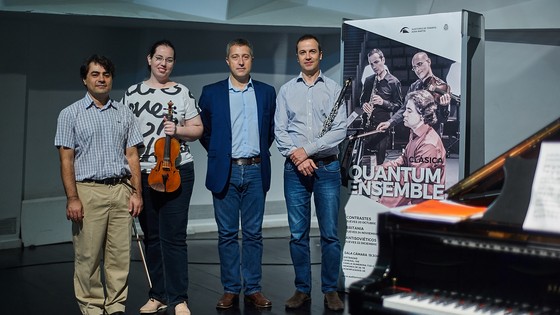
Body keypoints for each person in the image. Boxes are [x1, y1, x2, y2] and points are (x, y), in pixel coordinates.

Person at [54, 54, 143, 315]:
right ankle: (92, 307)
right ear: (85, 79)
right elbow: (66, 159)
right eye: (95, 74)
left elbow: (132, 156)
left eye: (106, 74)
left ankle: (116, 306)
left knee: (119, 256)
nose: (101, 79)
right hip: (88, 191)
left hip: (121, 190)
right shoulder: (70, 114)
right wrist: (72, 198)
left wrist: (137, 193)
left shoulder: (124, 113)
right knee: (88, 256)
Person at [122, 40, 203, 315]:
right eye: (159, 58)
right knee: (152, 237)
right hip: (144, 173)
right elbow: (124, 137)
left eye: (168, 59)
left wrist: (178, 129)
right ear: (149, 59)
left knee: (175, 237)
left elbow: (198, 128)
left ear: (173, 63)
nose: (163, 63)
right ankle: (158, 295)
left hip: (178, 171)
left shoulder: (181, 93)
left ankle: (179, 298)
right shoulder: (132, 94)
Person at [198, 38, 276, 310]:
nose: (241, 61)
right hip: (225, 171)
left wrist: (252, 155)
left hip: (255, 169)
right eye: (235, 56)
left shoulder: (267, 92)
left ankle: (253, 288)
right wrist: (222, 155)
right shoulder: (211, 92)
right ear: (227, 60)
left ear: (251, 60)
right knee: (227, 234)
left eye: (245, 56)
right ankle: (230, 288)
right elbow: (205, 132)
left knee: (254, 234)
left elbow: (270, 132)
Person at [274, 34, 346, 311]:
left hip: (326, 168)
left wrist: (309, 149)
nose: (307, 56)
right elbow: (280, 131)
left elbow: (340, 129)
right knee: (297, 234)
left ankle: (329, 290)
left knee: (329, 234)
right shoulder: (286, 90)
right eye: (302, 52)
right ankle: (302, 289)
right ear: (297, 56)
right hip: (295, 170)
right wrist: (298, 156)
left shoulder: (334, 88)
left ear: (320, 55)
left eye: (312, 51)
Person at [378, 89, 446, 207]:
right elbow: (404, 159)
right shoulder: (415, 132)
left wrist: (381, 204)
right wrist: (381, 169)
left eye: (409, 111)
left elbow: (412, 181)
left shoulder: (428, 145)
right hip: (412, 195)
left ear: (423, 115)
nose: (404, 114)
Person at [377, 51, 452, 134]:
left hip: (431, 134)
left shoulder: (441, 86)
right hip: (414, 133)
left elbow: (442, 120)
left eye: (419, 64)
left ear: (429, 62)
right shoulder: (414, 86)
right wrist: (390, 122)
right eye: (414, 67)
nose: (417, 69)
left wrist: (443, 107)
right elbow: (404, 109)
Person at [358, 48, 402, 165]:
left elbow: (399, 107)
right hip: (366, 127)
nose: (374, 67)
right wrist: (364, 105)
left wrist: (383, 102)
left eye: (376, 62)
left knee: (379, 165)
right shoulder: (368, 81)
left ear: (383, 60)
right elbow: (362, 100)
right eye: (371, 64)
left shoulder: (394, 82)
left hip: (382, 129)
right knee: (365, 163)